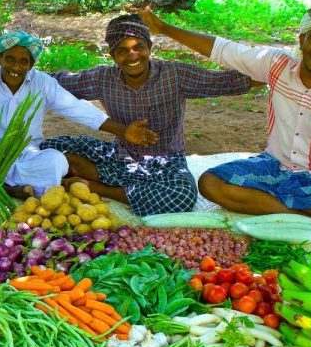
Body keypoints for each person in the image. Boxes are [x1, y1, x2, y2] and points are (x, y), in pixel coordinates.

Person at [139, 3, 311, 234]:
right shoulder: (277, 64)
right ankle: (309, 218)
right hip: (273, 167)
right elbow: (223, 50)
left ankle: (278, 207)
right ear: (302, 40)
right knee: (210, 183)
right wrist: (162, 28)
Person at [41, 14, 254, 216]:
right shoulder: (102, 78)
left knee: (183, 194)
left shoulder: (174, 75)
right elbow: (52, 84)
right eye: (122, 50)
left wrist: (274, 71)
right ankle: (94, 173)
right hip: (118, 154)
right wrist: (14, 73)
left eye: (138, 47)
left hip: (166, 161)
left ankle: (97, 186)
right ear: (113, 55)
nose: (132, 55)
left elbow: (226, 82)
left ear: (149, 48)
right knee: (44, 147)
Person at [0, 31, 157, 197]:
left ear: (31, 64)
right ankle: (15, 187)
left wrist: (123, 131)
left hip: (25, 154)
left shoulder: (42, 82)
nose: (16, 67)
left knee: (56, 161)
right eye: (10, 59)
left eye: (24, 61)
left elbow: (77, 108)